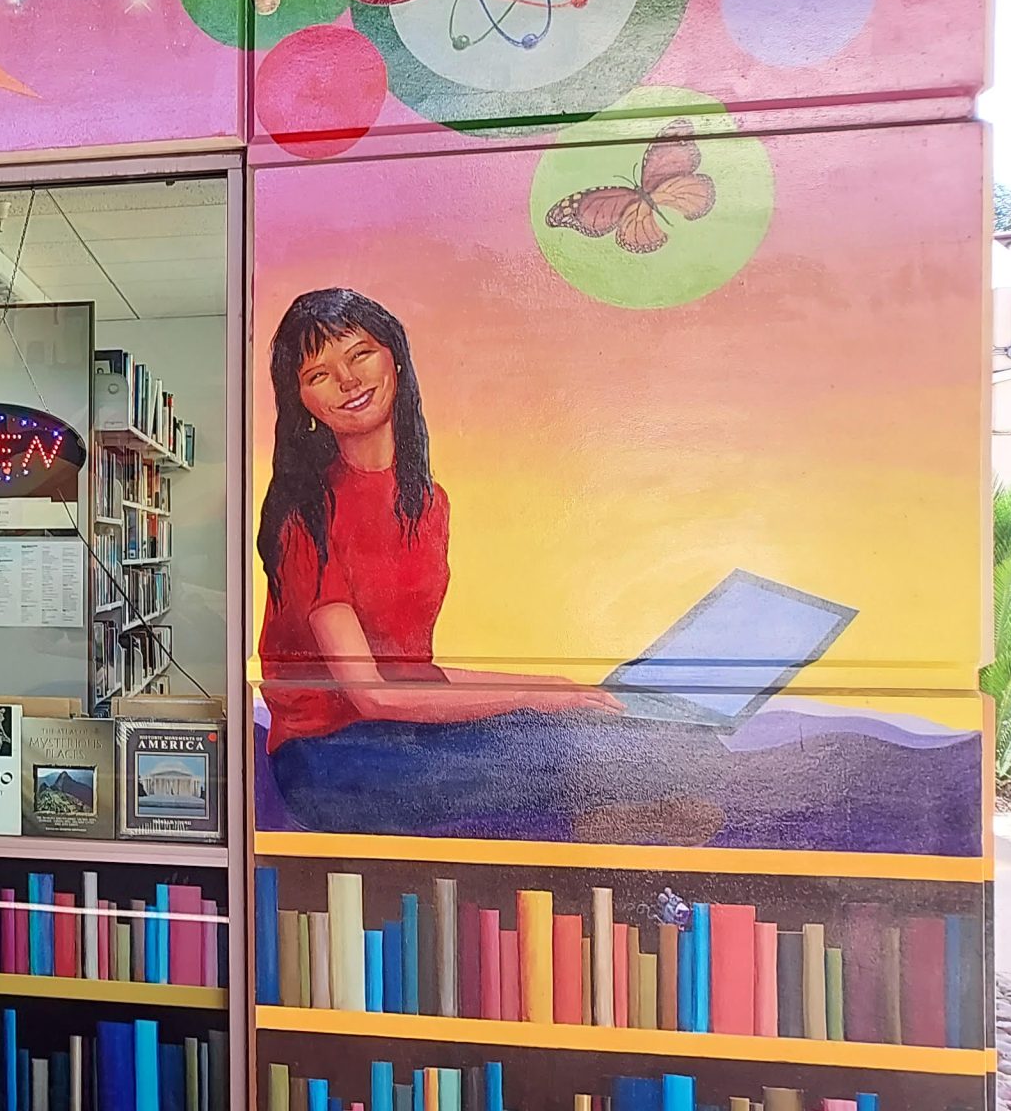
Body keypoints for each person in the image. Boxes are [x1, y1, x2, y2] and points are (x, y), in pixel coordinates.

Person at [254, 287, 963, 848]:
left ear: (396, 359)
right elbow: (373, 696)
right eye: (319, 374)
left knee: (643, 734)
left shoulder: (427, 503)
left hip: (399, 731)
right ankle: (621, 823)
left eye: (361, 355)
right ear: (305, 403)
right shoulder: (304, 516)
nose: (347, 382)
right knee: (584, 746)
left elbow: (416, 673)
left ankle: (629, 814)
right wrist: (548, 701)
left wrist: (559, 685)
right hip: (331, 761)